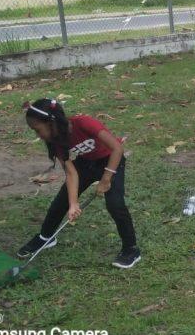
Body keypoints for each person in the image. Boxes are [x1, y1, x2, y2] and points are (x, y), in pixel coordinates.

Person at [18, 99, 141, 269]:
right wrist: (73, 203)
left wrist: (106, 179)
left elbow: (117, 149)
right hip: (86, 163)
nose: (37, 135)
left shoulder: (83, 123)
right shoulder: (55, 140)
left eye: (37, 130)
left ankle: (131, 249)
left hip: (112, 161)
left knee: (115, 204)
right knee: (61, 202)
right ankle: (46, 237)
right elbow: (70, 172)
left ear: (51, 121)